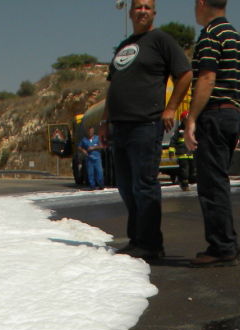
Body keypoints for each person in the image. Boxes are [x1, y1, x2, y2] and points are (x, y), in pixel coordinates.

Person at [100, 0, 192, 262]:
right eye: (138, 6)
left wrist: (171, 108)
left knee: (145, 185)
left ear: (153, 13)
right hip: (120, 126)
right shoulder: (124, 47)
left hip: (145, 124)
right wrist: (105, 123)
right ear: (130, 13)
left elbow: (184, 74)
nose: (142, 11)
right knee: (127, 187)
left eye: (147, 7)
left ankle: (152, 245)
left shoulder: (161, 40)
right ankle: (137, 240)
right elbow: (113, 87)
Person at [184, 0, 240, 267]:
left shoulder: (211, 35)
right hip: (231, 113)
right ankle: (227, 243)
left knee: (211, 185)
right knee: (219, 181)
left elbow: (207, 78)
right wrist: (236, 114)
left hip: (214, 114)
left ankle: (222, 246)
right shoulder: (237, 38)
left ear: (201, 3)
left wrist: (192, 118)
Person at [172, 110, 196, 192]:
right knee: (184, 170)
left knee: (192, 170)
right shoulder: (179, 131)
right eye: (186, 120)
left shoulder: (192, 130)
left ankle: (184, 180)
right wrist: (171, 150)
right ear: (182, 121)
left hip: (190, 154)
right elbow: (173, 141)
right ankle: (184, 185)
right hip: (182, 154)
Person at [79, 126, 104, 190]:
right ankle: (92, 186)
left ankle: (101, 185)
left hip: (97, 158)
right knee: (91, 173)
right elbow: (79, 147)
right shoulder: (84, 140)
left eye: (92, 131)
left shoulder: (97, 138)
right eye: (89, 132)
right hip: (89, 158)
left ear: (93, 132)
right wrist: (83, 150)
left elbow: (101, 146)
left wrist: (93, 147)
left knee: (99, 172)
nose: (90, 133)